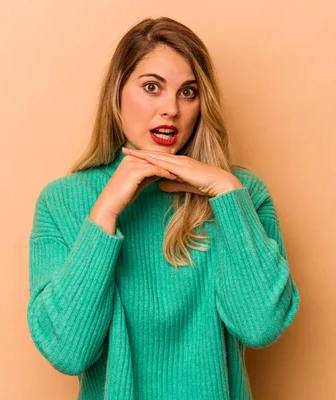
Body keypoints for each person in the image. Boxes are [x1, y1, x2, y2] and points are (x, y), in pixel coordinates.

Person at [27, 16, 300, 400]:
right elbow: (67, 352)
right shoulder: (63, 201)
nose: (170, 108)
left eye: (188, 92)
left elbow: (260, 325)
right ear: (117, 95)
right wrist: (105, 211)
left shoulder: (242, 195)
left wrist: (226, 190)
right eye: (152, 87)